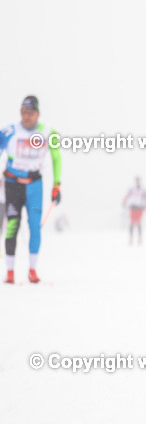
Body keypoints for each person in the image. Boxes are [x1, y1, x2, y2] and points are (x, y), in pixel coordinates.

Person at [0, 96, 62, 284]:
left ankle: (32, 270)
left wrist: (56, 185)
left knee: (35, 227)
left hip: (35, 185)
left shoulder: (48, 133)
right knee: (12, 225)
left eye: (30, 113)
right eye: (23, 112)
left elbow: (57, 158)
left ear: (38, 114)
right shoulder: (10, 131)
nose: (26, 116)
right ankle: (10, 271)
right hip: (12, 184)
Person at [123, 176, 146, 245]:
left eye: (139, 181)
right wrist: (124, 202)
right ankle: (131, 238)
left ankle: (139, 238)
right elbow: (127, 196)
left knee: (138, 222)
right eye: (137, 181)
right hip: (133, 206)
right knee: (132, 222)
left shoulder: (143, 190)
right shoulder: (132, 189)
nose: (138, 182)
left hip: (140, 207)